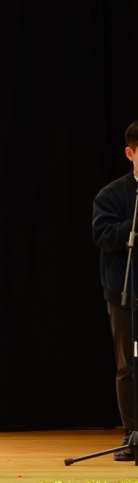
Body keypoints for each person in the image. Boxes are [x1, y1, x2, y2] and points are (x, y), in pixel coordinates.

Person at [92, 120, 138, 461]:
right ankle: (133, 433)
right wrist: (133, 225)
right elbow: (104, 236)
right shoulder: (111, 195)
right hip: (125, 294)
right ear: (130, 153)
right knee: (129, 367)